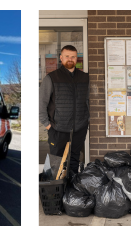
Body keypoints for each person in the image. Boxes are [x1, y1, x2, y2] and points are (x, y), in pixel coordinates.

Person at [39, 45, 89, 179]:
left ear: (77, 58)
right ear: (61, 58)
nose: (70, 59)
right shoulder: (51, 78)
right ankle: (52, 192)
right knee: (55, 161)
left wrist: (86, 121)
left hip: (79, 127)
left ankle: (71, 191)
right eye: (67, 56)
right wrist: (47, 124)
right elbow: (41, 104)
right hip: (57, 128)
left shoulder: (84, 77)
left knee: (74, 159)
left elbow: (88, 101)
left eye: (73, 56)